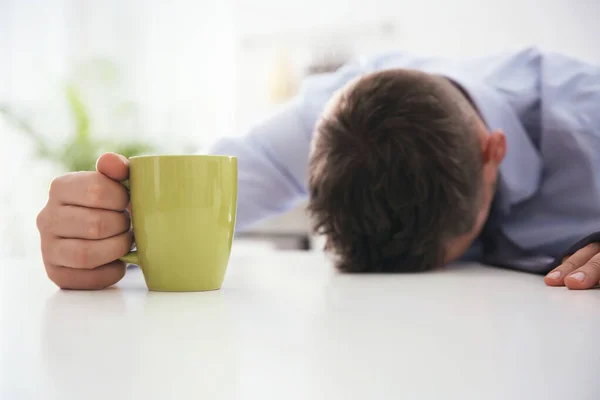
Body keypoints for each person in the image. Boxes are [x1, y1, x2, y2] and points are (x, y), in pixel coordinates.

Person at [36, 47, 600, 290]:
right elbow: (178, 209)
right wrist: (96, 229)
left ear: (493, 152)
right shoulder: (337, 120)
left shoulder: (587, 118)